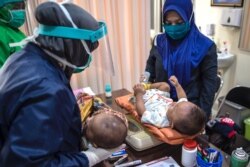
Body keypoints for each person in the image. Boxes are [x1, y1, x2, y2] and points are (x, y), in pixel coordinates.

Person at [0, 1, 125, 167]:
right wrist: (88, 159)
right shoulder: (48, 91)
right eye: (89, 47)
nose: (89, 56)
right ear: (72, 46)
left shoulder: (24, 57)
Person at [145, 0, 218, 119]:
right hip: (159, 106)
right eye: (168, 23)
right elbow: (150, 67)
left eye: (179, 22)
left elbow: (208, 88)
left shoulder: (205, 46)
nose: (173, 27)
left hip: (187, 112)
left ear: (189, 18)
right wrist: (145, 83)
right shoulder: (159, 41)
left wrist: (200, 119)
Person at [133, 76, 206, 136]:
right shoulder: (181, 109)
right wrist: (177, 85)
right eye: (178, 103)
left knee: (138, 101)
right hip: (160, 97)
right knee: (165, 86)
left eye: (174, 107)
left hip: (145, 99)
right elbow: (183, 98)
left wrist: (139, 94)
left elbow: (141, 112)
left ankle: (141, 89)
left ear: (171, 124)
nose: (174, 103)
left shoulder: (160, 120)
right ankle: (147, 86)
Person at [0, 0, 26, 68]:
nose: (21, 11)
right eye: (16, 7)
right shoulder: (1, 33)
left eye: (23, 6)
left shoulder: (14, 31)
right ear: (2, 9)